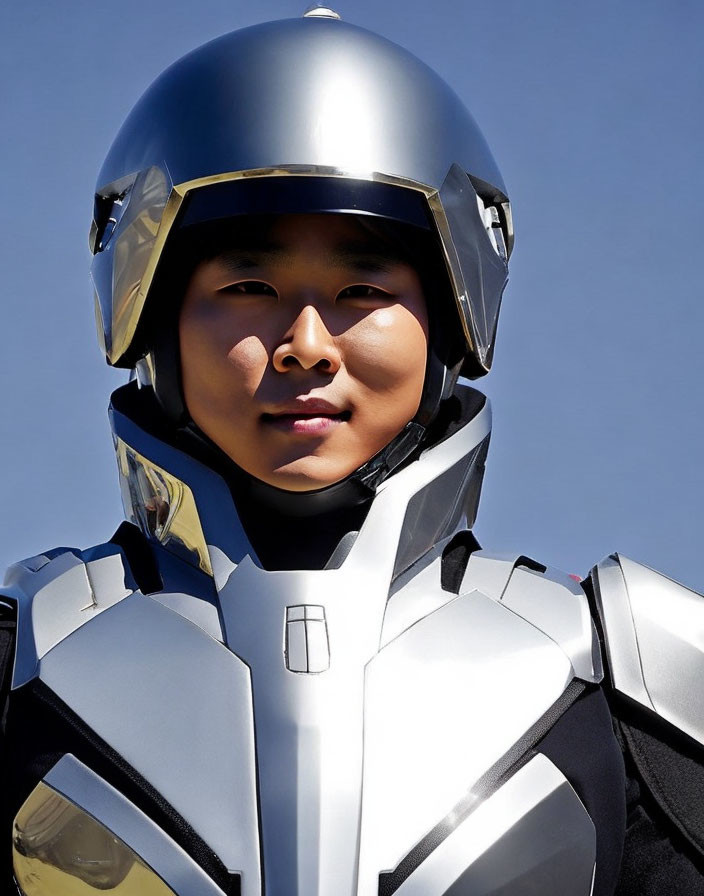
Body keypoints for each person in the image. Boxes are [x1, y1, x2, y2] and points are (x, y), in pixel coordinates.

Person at [1, 7, 704, 895]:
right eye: (248, 285)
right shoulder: (22, 665)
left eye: (361, 288)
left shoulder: (637, 690)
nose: (305, 344)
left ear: (451, 316)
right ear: (152, 317)